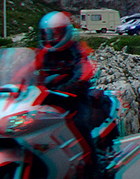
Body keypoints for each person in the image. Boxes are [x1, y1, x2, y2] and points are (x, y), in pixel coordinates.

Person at [34, 11, 108, 164]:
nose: (51, 37)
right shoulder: (42, 52)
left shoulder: (75, 50)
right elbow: (26, 69)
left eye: (56, 33)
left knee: (80, 124)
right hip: (48, 97)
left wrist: (73, 85)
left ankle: (93, 166)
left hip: (74, 97)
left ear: (66, 33)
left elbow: (84, 71)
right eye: (48, 33)